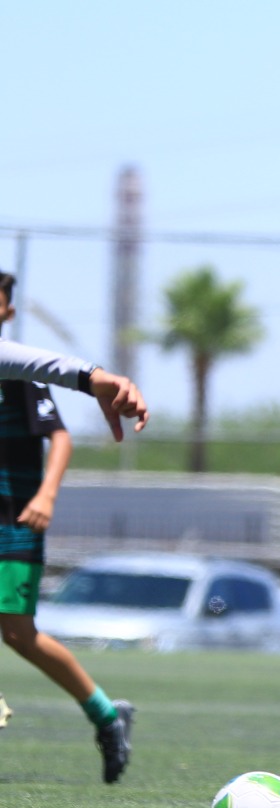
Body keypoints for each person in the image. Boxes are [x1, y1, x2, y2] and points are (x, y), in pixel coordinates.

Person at [0, 271, 149, 780]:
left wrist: (46, 494)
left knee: (18, 633)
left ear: (8, 312)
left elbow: (59, 435)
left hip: (16, 515)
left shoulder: (19, 375)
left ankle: (107, 715)